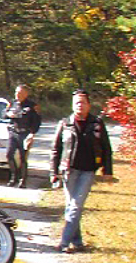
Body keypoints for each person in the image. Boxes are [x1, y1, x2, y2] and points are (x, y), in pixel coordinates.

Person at [49, 90, 115, 253]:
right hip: (68, 170)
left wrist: (107, 170)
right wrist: (53, 172)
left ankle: (63, 242)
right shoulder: (65, 123)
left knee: (76, 205)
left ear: (88, 105)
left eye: (82, 102)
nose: (80, 105)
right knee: (71, 206)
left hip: (88, 170)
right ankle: (77, 242)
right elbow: (56, 149)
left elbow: (107, 148)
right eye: (76, 102)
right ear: (73, 105)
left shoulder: (97, 124)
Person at [4, 84, 42, 187]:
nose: (17, 95)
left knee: (23, 158)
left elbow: (37, 122)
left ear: (26, 94)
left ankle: (23, 180)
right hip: (13, 133)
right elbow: (3, 114)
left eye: (20, 93)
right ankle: (14, 177)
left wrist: (32, 134)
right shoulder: (12, 103)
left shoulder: (32, 106)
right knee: (9, 155)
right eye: (16, 92)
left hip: (25, 134)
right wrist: (8, 114)